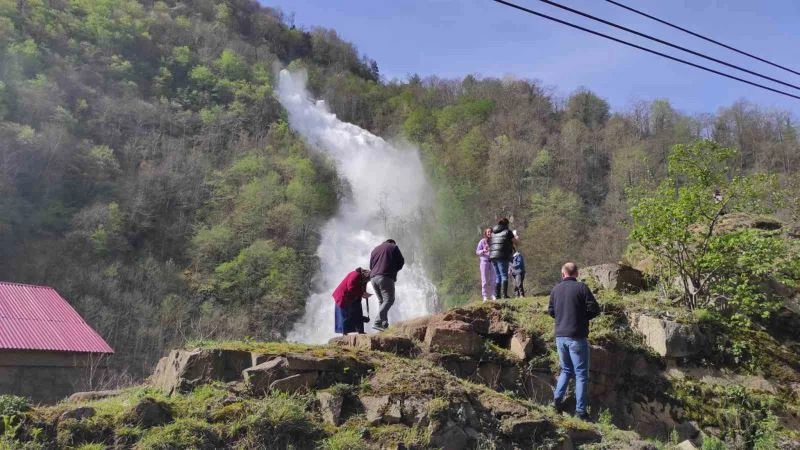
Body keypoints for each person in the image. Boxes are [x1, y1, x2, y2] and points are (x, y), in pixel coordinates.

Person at [548, 262, 601, 421]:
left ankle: (556, 402)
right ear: (576, 274)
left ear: (562, 274)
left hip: (560, 336)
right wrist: (581, 319)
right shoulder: (582, 288)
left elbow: (551, 311)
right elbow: (594, 309)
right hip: (577, 337)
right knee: (581, 374)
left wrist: (562, 319)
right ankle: (580, 412)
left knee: (565, 370)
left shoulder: (555, 289)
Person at [369, 239, 405, 331]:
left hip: (373, 278)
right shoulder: (394, 247)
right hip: (385, 276)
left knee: (382, 301)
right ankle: (377, 322)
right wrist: (393, 269)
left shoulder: (375, 249)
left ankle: (383, 324)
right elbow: (401, 261)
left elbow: (371, 266)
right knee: (389, 300)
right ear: (392, 242)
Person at [332, 268, 372, 335]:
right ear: (365, 275)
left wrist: (364, 293)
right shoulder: (355, 275)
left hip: (352, 297)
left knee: (358, 312)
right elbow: (351, 288)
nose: (368, 281)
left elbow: (362, 288)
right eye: (368, 279)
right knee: (345, 315)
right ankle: (345, 333)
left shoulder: (363, 278)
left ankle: (360, 331)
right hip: (343, 296)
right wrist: (362, 294)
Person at [489, 218, 518, 299]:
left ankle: (498, 295)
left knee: (498, 276)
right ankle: (504, 295)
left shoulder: (493, 233)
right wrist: (516, 237)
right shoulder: (508, 232)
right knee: (504, 275)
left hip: (493, 256)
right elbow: (516, 242)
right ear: (507, 224)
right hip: (502, 255)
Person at [476, 227, 496, 302]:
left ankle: (493, 294)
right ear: (485, 233)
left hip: (493, 261)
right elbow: (477, 251)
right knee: (484, 279)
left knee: (493, 279)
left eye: (490, 232)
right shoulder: (482, 241)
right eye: (488, 232)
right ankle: (485, 296)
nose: (489, 233)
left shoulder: (494, 242)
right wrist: (483, 250)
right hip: (484, 261)